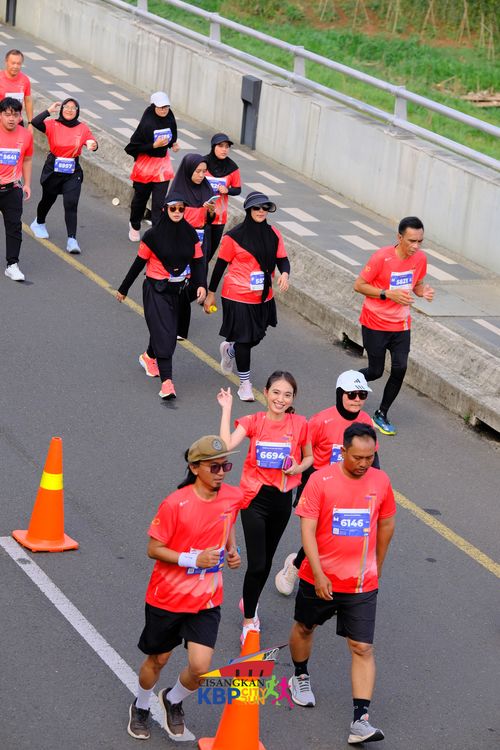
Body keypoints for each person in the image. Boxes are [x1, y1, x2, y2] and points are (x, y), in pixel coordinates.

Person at [127, 435, 242, 741]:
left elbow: (230, 518)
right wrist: (194, 559)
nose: (221, 472)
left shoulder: (232, 497)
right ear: (194, 468)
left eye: (225, 466)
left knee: (201, 668)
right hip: (167, 597)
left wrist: (232, 548)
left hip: (206, 599)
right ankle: (141, 705)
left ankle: (172, 699)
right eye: (214, 467)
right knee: (158, 660)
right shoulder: (174, 504)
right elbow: (154, 549)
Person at [288, 423, 396, 745]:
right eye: (357, 457)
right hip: (319, 578)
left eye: (369, 457)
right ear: (343, 451)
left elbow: (386, 524)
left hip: (361, 583)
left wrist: (377, 565)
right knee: (305, 627)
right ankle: (300, 675)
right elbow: (307, 530)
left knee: (362, 647)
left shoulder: (381, 481)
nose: (364, 463)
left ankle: (360, 720)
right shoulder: (320, 481)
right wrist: (318, 573)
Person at [217, 371, 313, 644]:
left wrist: (298, 468)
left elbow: (309, 457)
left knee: (267, 561)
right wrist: (226, 409)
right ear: (266, 392)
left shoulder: (300, 424)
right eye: (276, 393)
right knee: (257, 563)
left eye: (287, 395)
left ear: (293, 398)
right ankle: (249, 621)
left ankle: (249, 601)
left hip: (281, 502)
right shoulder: (254, 421)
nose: (281, 399)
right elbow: (225, 446)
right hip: (254, 500)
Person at [275, 370, 379, 596]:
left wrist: (375, 487)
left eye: (362, 395)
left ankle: (300, 564)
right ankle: (295, 568)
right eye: (352, 394)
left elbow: (373, 457)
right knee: (319, 534)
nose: (357, 400)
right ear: (340, 394)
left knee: (333, 535)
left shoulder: (365, 421)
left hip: (350, 488)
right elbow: (303, 455)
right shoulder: (320, 421)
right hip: (319, 487)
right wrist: (302, 490)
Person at [116, 192, 206, 400]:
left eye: (181, 208)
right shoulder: (152, 236)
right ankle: (167, 383)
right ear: (165, 209)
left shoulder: (190, 234)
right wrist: (123, 288)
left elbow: (198, 261)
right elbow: (138, 263)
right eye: (173, 208)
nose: (177, 212)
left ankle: (149, 356)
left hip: (180, 291)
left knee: (168, 330)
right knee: (165, 334)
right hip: (156, 290)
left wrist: (201, 284)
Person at [204, 191, 290, 402]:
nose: (261, 211)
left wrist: (285, 274)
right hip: (237, 295)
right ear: (248, 210)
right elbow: (220, 266)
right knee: (244, 339)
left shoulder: (273, 233)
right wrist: (211, 293)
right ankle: (245, 384)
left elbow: (282, 259)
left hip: (263, 296)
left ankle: (230, 350)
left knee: (256, 336)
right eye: (256, 208)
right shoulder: (233, 237)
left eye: (264, 208)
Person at [353, 216, 435, 436]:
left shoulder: (420, 259)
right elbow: (359, 285)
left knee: (400, 368)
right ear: (399, 237)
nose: (416, 246)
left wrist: (423, 291)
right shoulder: (382, 257)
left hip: (401, 324)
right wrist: (386, 294)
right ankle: (349, 383)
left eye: (420, 241)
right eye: (411, 241)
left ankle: (381, 413)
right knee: (375, 371)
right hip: (375, 323)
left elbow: (416, 284)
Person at [29, 99, 97, 253]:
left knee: (71, 203)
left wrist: (93, 145)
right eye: (66, 107)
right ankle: (39, 222)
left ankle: (72, 240)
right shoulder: (53, 124)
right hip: (53, 169)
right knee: (48, 199)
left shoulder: (82, 128)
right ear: (61, 109)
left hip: (72, 171)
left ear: (77, 111)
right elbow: (35, 122)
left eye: (73, 108)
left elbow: (92, 141)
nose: (69, 110)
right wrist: (48, 111)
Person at [168, 153, 217, 340]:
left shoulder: (206, 188)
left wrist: (210, 212)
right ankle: (176, 319)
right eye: (198, 171)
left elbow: (210, 220)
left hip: (201, 240)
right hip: (180, 240)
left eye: (204, 171)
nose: (201, 175)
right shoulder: (178, 190)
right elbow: (171, 215)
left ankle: (176, 307)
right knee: (179, 279)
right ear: (188, 170)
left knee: (197, 280)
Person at [125, 91, 179, 241]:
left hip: (162, 165)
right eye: (161, 107)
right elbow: (132, 147)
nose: (164, 110)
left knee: (159, 202)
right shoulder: (147, 123)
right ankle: (135, 225)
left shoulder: (169, 117)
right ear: (154, 106)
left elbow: (172, 134)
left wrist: (173, 144)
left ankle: (157, 233)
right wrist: (153, 145)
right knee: (140, 199)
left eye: (166, 107)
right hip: (146, 165)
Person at [0, 97, 33, 282]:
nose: (11, 118)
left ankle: (12, 265)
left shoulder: (25, 135)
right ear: (0, 115)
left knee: (14, 227)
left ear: (20, 116)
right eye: (7, 114)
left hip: (12, 188)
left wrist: (27, 183)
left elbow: (27, 160)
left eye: (15, 114)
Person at [203, 133, 241, 261]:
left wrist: (227, 190)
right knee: (200, 254)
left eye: (227, 146)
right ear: (213, 147)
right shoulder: (203, 163)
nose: (224, 149)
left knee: (209, 255)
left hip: (219, 217)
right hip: (201, 214)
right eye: (220, 146)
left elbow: (238, 189)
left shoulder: (232, 168)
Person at [0, 50, 33, 127]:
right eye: (13, 63)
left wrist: (30, 123)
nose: (15, 66)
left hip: (17, 122)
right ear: (6, 62)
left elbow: (28, 101)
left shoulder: (25, 80)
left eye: (18, 63)